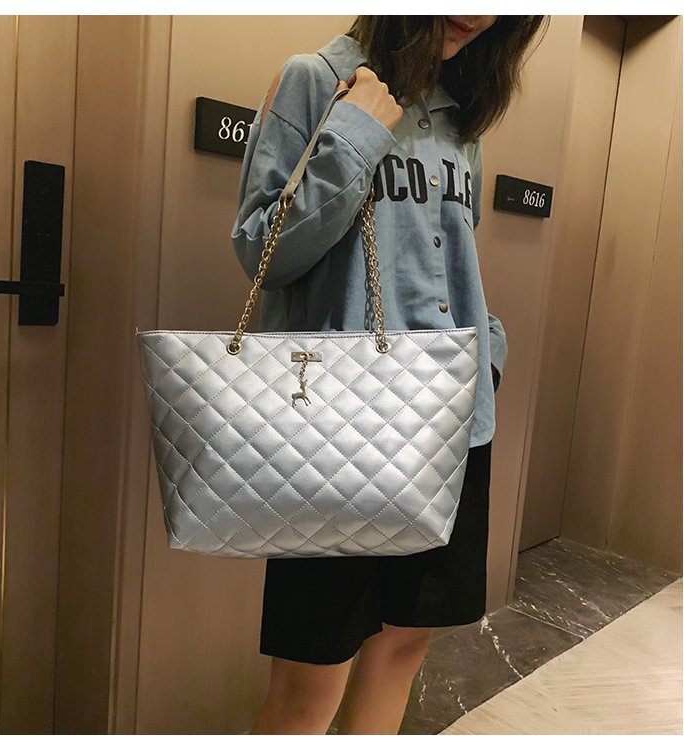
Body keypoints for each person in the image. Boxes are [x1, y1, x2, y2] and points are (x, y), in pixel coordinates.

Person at [231, 15, 548, 735]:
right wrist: (356, 134)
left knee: (406, 641)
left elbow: (445, 254)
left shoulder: (461, 117)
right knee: (312, 675)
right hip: (339, 433)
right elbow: (262, 252)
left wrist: (487, 354)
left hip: (451, 425)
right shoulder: (316, 80)